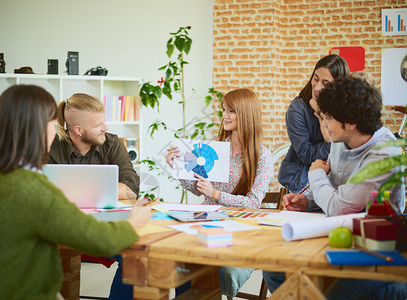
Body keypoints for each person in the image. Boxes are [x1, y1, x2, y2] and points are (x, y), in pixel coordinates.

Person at [0, 85, 152, 300]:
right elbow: (101, 240)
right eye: (53, 125)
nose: (57, 130)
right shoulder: (31, 188)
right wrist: (133, 222)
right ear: (38, 129)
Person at [263, 77, 407, 299]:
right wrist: (307, 200)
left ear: (350, 123)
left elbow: (339, 207)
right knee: (275, 270)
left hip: (376, 249)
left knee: (332, 293)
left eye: (329, 118)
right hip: (338, 236)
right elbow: (333, 185)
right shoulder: (341, 140)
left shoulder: (384, 154)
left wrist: (316, 173)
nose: (325, 125)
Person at [166, 88, 273, 298]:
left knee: (204, 266)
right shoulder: (215, 147)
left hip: (238, 225)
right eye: (224, 110)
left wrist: (215, 194)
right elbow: (197, 188)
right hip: (205, 221)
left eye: (231, 111)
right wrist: (176, 167)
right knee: (182, 259)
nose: (225, 115)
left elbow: (253, 202)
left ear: (246, 113)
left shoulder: (263, 156)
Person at [278, 54, 349, 193]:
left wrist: (322, 113)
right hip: (302, 183)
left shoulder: (346, 109)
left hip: (338, 183)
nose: (316, 88)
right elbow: (306, 154)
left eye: (326, 84)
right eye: (315, 79)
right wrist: (331, 141)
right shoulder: (298, 109)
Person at [48, 93, 139, 200]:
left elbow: (131, 190)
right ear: (78, 130)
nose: (106, 127)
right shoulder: (49, 147)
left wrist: (76, 192)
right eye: (98, 125)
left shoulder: (113, 144)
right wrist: (103, 191)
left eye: (104, 121)